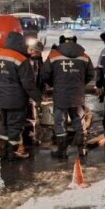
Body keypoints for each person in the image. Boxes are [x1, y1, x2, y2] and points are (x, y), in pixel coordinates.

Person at [41, 30, 95, 158]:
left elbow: (45, 74)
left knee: (60, 122)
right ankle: (82, 150)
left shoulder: (53, 55)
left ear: (62, 39)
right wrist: (80, 83)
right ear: (74, 40)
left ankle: (62, 151)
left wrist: (54, 84)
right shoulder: (84, 56)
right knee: (79, 121)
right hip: (77, 95)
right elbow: (91, 74)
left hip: (60, 95)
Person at [0, 32, 42, 161]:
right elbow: (28, 84)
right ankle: (15, 152)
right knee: (15, 126)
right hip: (16, 100)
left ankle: (4, 151)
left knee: (5, 125)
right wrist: (38, 98)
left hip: (1, 99)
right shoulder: (20, 60)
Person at [23, 39, 44, 146]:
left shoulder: (38, 60)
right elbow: (29, 81)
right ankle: (28, 139)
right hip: (27, 93)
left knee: (31, 116)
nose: (34, 52)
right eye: (34, 50)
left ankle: (28, 137)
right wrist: (36, 96)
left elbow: (40, 77)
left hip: (32, 92)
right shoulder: (26, 61)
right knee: (29, 117)